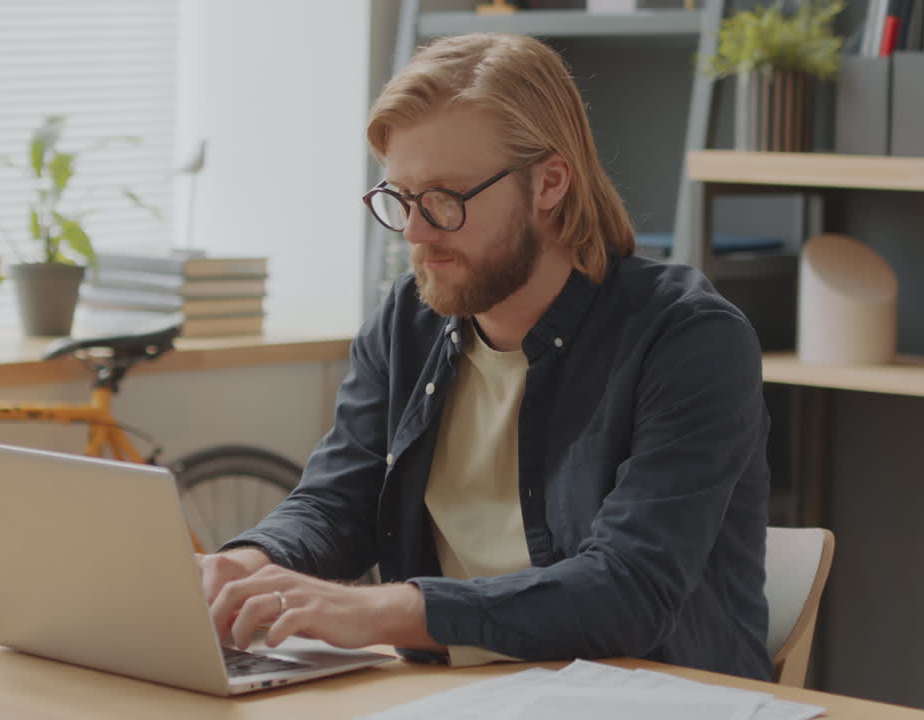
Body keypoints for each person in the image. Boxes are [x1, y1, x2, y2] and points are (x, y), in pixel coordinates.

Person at [200, 32, 772, 680]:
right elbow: (337, 506)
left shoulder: (688, 340)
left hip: (652, 699)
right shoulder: (406, 323)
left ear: (549, 183)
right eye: (401, 199)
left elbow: (627, 589)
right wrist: (244, 566)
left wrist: (384, 611)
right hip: (456, 694)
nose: (415, 232)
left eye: (445, 199)